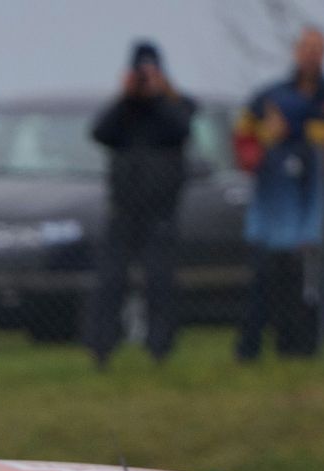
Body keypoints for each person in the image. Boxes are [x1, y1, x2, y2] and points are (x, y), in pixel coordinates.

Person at [233, 27, 324, 361]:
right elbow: (244, 148)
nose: (311, 54)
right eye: (306, 47)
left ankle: (305, 346)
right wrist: (265, 145)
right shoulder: (268, 97)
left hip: (319, 200)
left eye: (318, 48)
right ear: (296, 51)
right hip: (275, 204)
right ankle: (255, 346)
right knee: (267, 275)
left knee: (310, 276)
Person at [87, 40, 197, 367]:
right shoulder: (124, 109)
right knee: (110, 281)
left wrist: (159, 96)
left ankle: (160, 348)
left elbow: (183, 128)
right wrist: (126, 97)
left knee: (160, 281)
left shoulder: (177, 105)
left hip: (161, 211)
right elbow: (99, 132)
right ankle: (101, 347)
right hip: (123, 210)